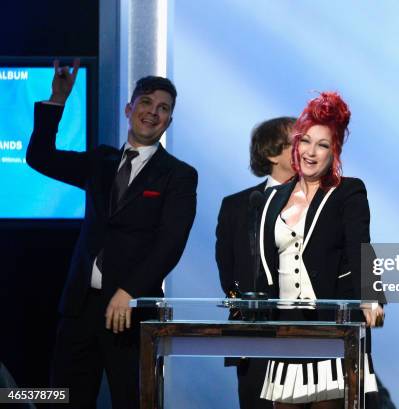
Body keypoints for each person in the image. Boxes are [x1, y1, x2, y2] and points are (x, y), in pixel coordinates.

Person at [26, 59, 198, 408]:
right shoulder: (100, 161)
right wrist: (56, 101)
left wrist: (129, 292)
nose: (153, 112)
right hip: (79, 309)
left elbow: (170, 244)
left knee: (132, 402)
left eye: (163, 108)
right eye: (146, 103)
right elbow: (39, 157)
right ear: (129, 108)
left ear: (169, 121)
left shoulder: (178, 175)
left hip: (131, 312)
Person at [257, 92, 384, 408]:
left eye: (323, 145)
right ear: (296, 144)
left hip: (330, 324)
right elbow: (263, 263)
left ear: (335, 152)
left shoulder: (347, 192)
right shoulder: (271, 199)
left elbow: (361, 247)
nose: (311, 152)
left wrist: (371, 297)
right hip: (285, 324)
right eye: (306, 142)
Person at [215, 116, 296, 409]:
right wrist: (246, 309)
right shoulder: (236, 205)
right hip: (254, 334)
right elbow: (228, 271)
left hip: (310, 333)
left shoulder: (327, 199)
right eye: (297, 142)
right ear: (272, 153)